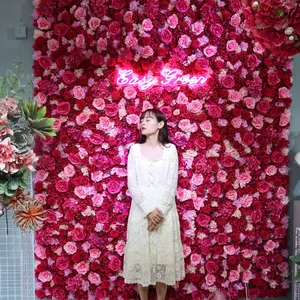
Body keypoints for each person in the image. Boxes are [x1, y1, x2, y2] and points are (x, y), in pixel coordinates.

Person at [123, 108, 185, 300]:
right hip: (141, 212)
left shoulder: (170, 150)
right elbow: (132, 183)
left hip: (164, 213)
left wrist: (160, 211)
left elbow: (171, 183)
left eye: (148, 119)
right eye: (141, 119)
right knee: (143, 258)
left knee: (162, 261)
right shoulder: (134, 149)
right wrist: (149, 210)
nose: (142, 122)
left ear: (160, 124)